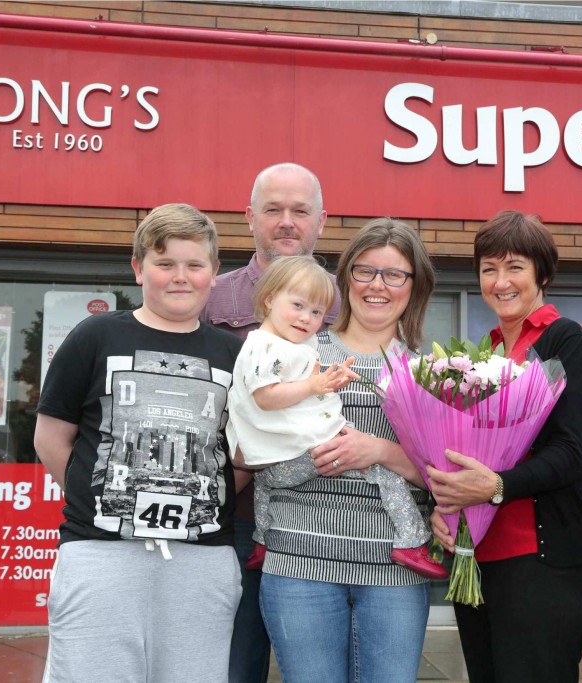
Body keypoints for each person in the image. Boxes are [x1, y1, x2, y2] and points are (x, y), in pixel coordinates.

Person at [34, 204, 243, 682]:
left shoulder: (235, 354)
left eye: (195, 265)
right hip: (100, 553)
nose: (180, 277)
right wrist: (101, 495)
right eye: (165, 263)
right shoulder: (96, 335)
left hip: (202, 559)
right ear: (138, 267)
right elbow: (50, 439)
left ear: (214, 272)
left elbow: (242, 456)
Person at [427, 211, 582, 683]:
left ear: (542, 274)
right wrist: (445, 508)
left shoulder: (565, 341)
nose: (500, 281)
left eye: (514, 267)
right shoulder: (481, 354)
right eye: (489, 269)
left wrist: (496, 486)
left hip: (539, 568)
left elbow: (571, 453)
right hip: (478, 562)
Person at [258, 218, 437, 683]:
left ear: (414, 287)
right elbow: (252, 440)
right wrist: (306, 455)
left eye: (394, 274)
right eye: (365, 271)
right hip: (300, 561)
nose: (378, 285)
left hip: (394, 569)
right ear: (345, 278)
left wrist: (378, 450)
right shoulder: (295, 351)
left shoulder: (432, 373)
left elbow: (443, 477)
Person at [200, 162, 337, 683]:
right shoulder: (212, 298)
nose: (286, 222)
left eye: (299, 211)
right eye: (272, 209)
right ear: (249, 217)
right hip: (233, 513)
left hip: (324, 515)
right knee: (233, 662)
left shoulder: (341, 300)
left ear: (321, 221)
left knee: (320, 667)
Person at [227, 255, 446, 579]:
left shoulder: (288, 345)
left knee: (267, 484)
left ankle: (261, 540)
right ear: (270, 299)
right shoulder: (272, 348)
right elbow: (267, 395)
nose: (306, 319)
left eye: (316, 312)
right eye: (298, 306)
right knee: (383, 474)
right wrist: (315, 384)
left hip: (287, 460)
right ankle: (412, 540)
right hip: (301, 521)